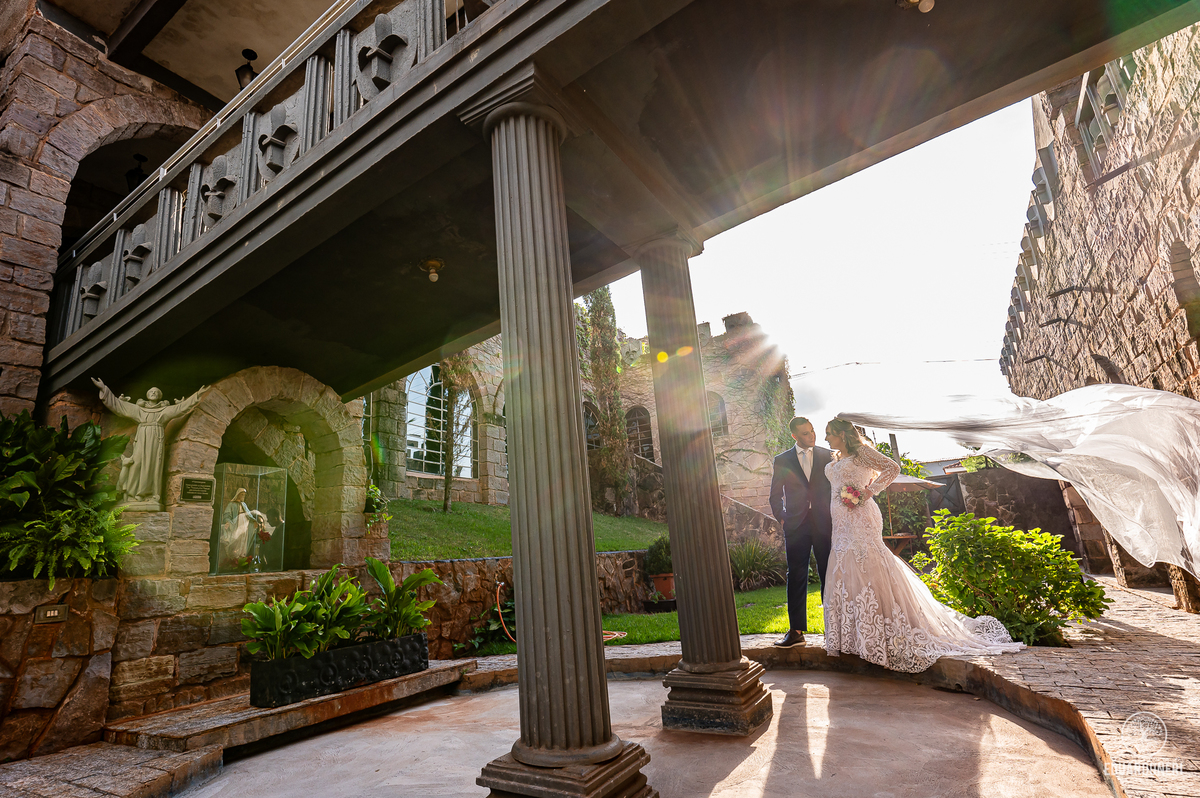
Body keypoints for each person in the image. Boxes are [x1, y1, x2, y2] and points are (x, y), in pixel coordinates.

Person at [822, 418, 1023, 672]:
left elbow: (892, 468)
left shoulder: (861, 453)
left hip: (862, 517)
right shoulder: (835, 458)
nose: (826, 438)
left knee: (869, 565)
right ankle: (856, 638)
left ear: (841, 434)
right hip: (840, 524)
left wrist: (868, 491)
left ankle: (883, 633)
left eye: (829, 433)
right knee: (845, 568)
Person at [769, 416, 833, 648]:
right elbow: (775, 494)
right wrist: (783, 518)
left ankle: (833, 629)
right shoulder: (782, 460)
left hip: (825, 523)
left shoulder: (828, 456)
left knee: (829, 573)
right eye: (805, 433)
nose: (812, 436)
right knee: (796, 575)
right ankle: (795, 632)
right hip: (796, 526)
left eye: (812, 431)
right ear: (795, 436)